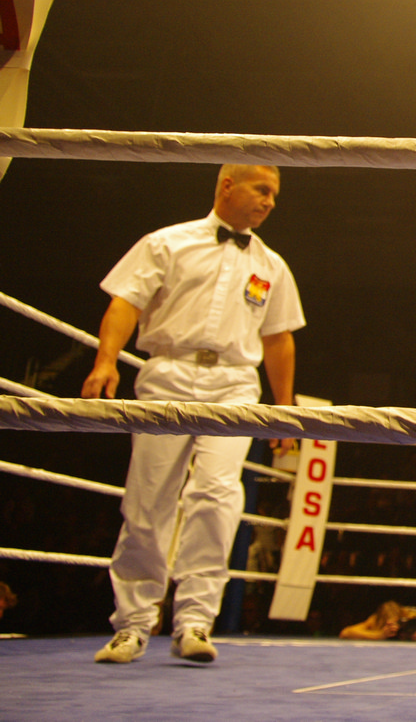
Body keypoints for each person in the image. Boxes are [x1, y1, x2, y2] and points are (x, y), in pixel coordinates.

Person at [84, 164, 306, 665]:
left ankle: (195, 621)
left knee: (218, 496)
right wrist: (105, 361)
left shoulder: (271, 264)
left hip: (235, 383)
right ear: (228, 185)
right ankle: (133, 625)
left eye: (274, 194)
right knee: (148, 499)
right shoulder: (166, 243)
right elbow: (125, 303)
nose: (270, 201)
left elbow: (278, 339)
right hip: (167, 373)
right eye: (262, 189)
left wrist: (284, 409)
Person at [340, 601, 416, 641]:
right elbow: (345, 633)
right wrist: (379, 635)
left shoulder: (415, 620)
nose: (394, 627)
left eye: (396, 623)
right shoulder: (375, 620)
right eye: (389, 624)